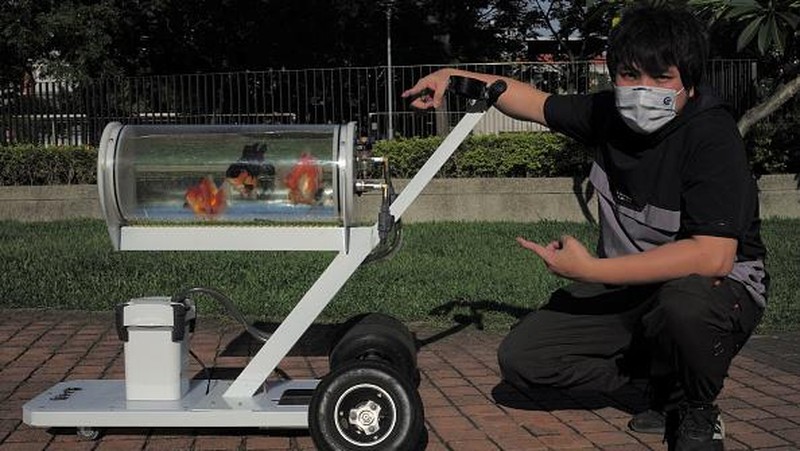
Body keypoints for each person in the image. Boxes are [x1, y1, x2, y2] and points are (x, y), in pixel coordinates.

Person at [402, 4, 767, 451]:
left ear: (689, 83)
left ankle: (694, 406)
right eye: (631, 75)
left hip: (714, 286)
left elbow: (714, 256)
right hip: (630, 284)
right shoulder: (606, 114)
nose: (643, 92)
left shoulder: (711, 134)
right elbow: (532, 102)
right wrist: (452, 77)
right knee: (524, 359)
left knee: (684, 306)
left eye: (662, 78)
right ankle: (651, 386)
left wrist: (589, 271)